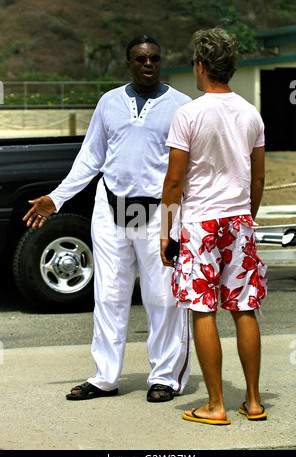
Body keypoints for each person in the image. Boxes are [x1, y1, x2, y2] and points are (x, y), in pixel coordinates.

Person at [23, 35, 192, 402]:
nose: (149, 64)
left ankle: (165, 376)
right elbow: (90, 157)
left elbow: (191, 168)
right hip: (111, 208)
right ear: (128, 63)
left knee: (162, 297)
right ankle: (104, 377)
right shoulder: (109, 102)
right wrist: (57, 197)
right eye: (141, 59)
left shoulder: (182, 106)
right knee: (110, 296)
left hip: (158, 213)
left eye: (155, 59)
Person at [160, 27, 267, 424]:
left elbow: (173, 182)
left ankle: (216, 403)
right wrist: (246, 216)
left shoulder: (188, 114)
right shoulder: (251, 113)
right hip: (239, 219)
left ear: (201, 66)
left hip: (200, 224)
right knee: (244, 308)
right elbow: (257, 178)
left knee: (203, 309)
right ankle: (253, 401)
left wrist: (166, 233)